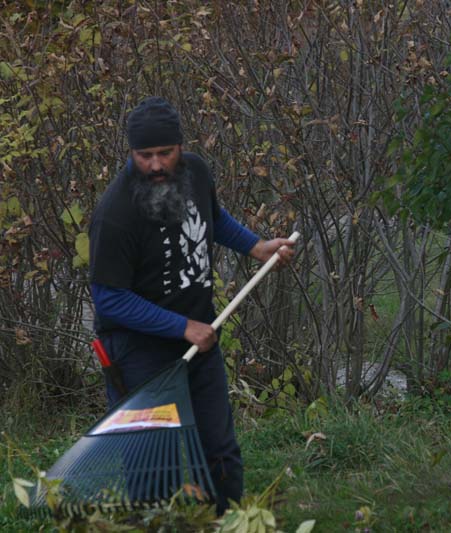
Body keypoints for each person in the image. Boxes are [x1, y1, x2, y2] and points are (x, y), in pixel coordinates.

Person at [88, 96, 295, 515]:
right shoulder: (115, 214)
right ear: (131, 152)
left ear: (181, 147)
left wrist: (255, 246)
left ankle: (226, 522)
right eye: (144, 155)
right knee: (152, 464)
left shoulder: (195, 172)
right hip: (138, 352)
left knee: (220, 450)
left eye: (165, 153)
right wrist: (182, 326)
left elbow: (212, 218)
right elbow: (109, 300)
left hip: (200, 338)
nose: (156, 165)